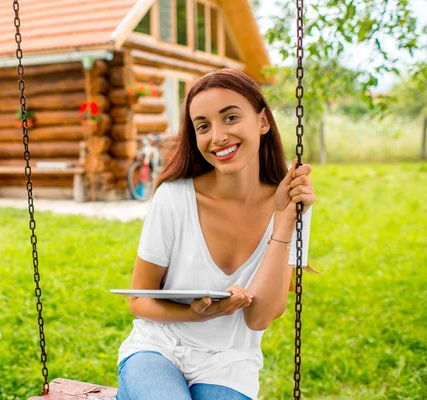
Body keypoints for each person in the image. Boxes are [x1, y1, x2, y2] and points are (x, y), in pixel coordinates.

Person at [116, 68, 315, 400]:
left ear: (262, 121)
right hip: (157, 349)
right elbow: (137, 300)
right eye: (203, 126)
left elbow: (260, 317)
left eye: (231, 117)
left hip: (230, 363)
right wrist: (190, 313)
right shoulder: (175, 197)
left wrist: (283, 220)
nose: (218, 136)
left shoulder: (293, 203)